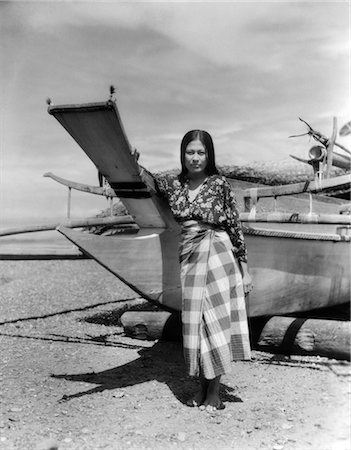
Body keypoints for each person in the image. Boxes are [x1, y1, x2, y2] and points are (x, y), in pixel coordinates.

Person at [155, 130, 252, 411]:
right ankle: (200, 388)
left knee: (216, 320)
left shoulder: (219, 183)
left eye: (201, 152)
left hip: (219, 253)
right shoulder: (173, 185)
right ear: (182, 154)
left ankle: (214, 393)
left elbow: (235, 226)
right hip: (189, 257)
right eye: (190, 152)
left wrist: (245, 271)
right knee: (195, 322)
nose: (195, 158)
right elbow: (142, 180)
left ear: (209, 155)